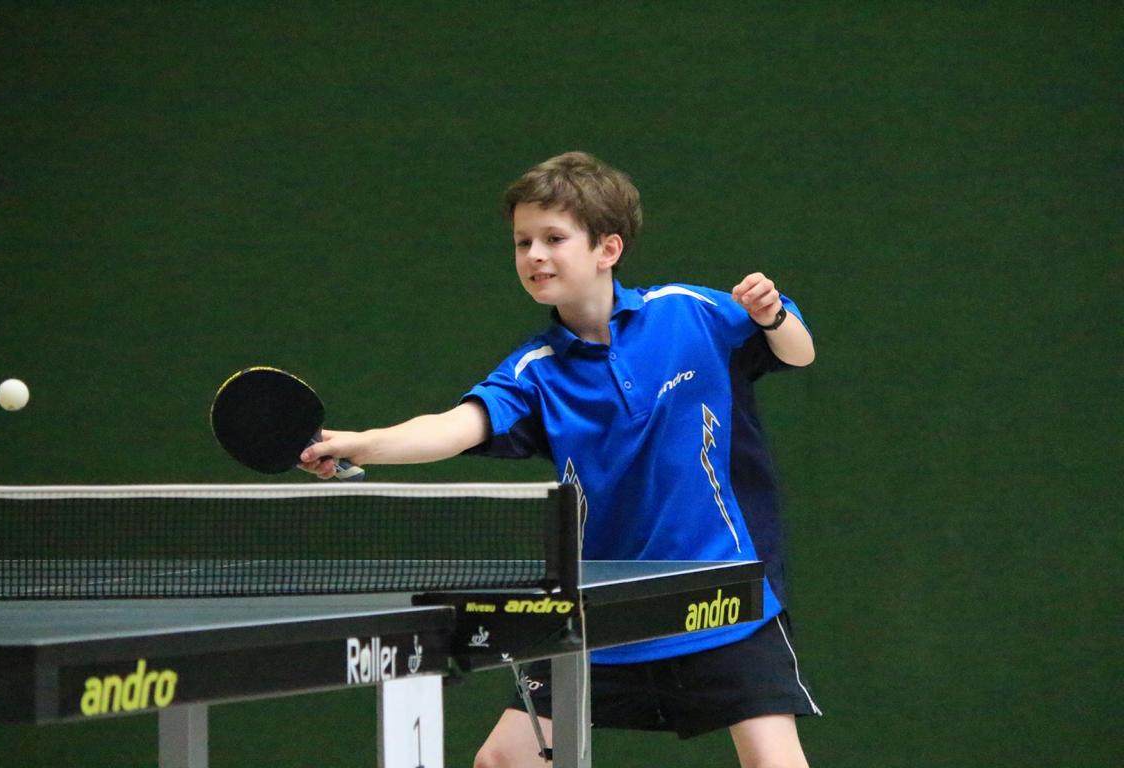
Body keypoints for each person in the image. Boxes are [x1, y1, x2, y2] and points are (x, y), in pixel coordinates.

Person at [299, 151, 820, 767]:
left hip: (719, 594)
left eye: (553, 238)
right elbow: (453, 429)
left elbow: (798, 352)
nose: (534, 255)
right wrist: (362, 443)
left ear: (608, 249)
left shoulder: (690, 313)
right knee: (503, 760)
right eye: (523, 242)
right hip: (603, 610)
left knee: (773, 760)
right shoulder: (535, 373)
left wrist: (772, 315)